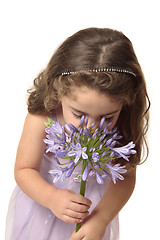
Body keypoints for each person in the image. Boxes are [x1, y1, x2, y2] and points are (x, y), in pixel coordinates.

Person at [5, 27, 150, 240]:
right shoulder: (42, 118)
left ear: (125, 104)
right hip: (43, 209)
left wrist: (102, 218)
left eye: (107, 117)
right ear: (58, 91)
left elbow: (126, 176)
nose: (91, 128)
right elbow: (24, 169)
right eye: (79, 113)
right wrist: (52, 198)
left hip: (92, 216)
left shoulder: (123, 126)